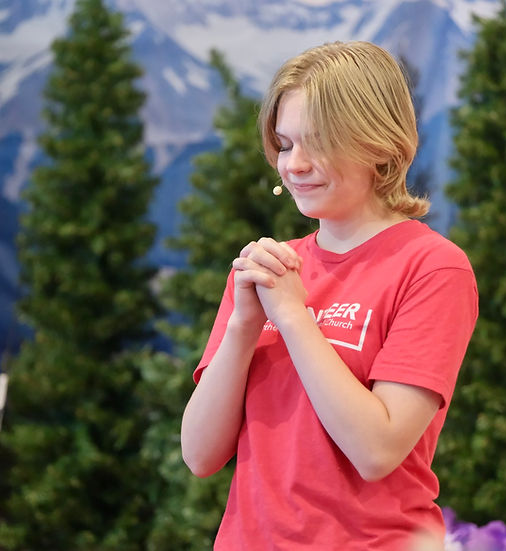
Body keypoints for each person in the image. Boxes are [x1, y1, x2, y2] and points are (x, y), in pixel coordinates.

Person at [181, 40, 478, 550]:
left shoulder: (433, 267)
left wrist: (294, 318)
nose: (293, 164)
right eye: (285, 143)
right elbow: (200, 454)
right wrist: (243, 326)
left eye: (316, 142)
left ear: (379, 143)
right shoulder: (269, 270)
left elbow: (377, 449)